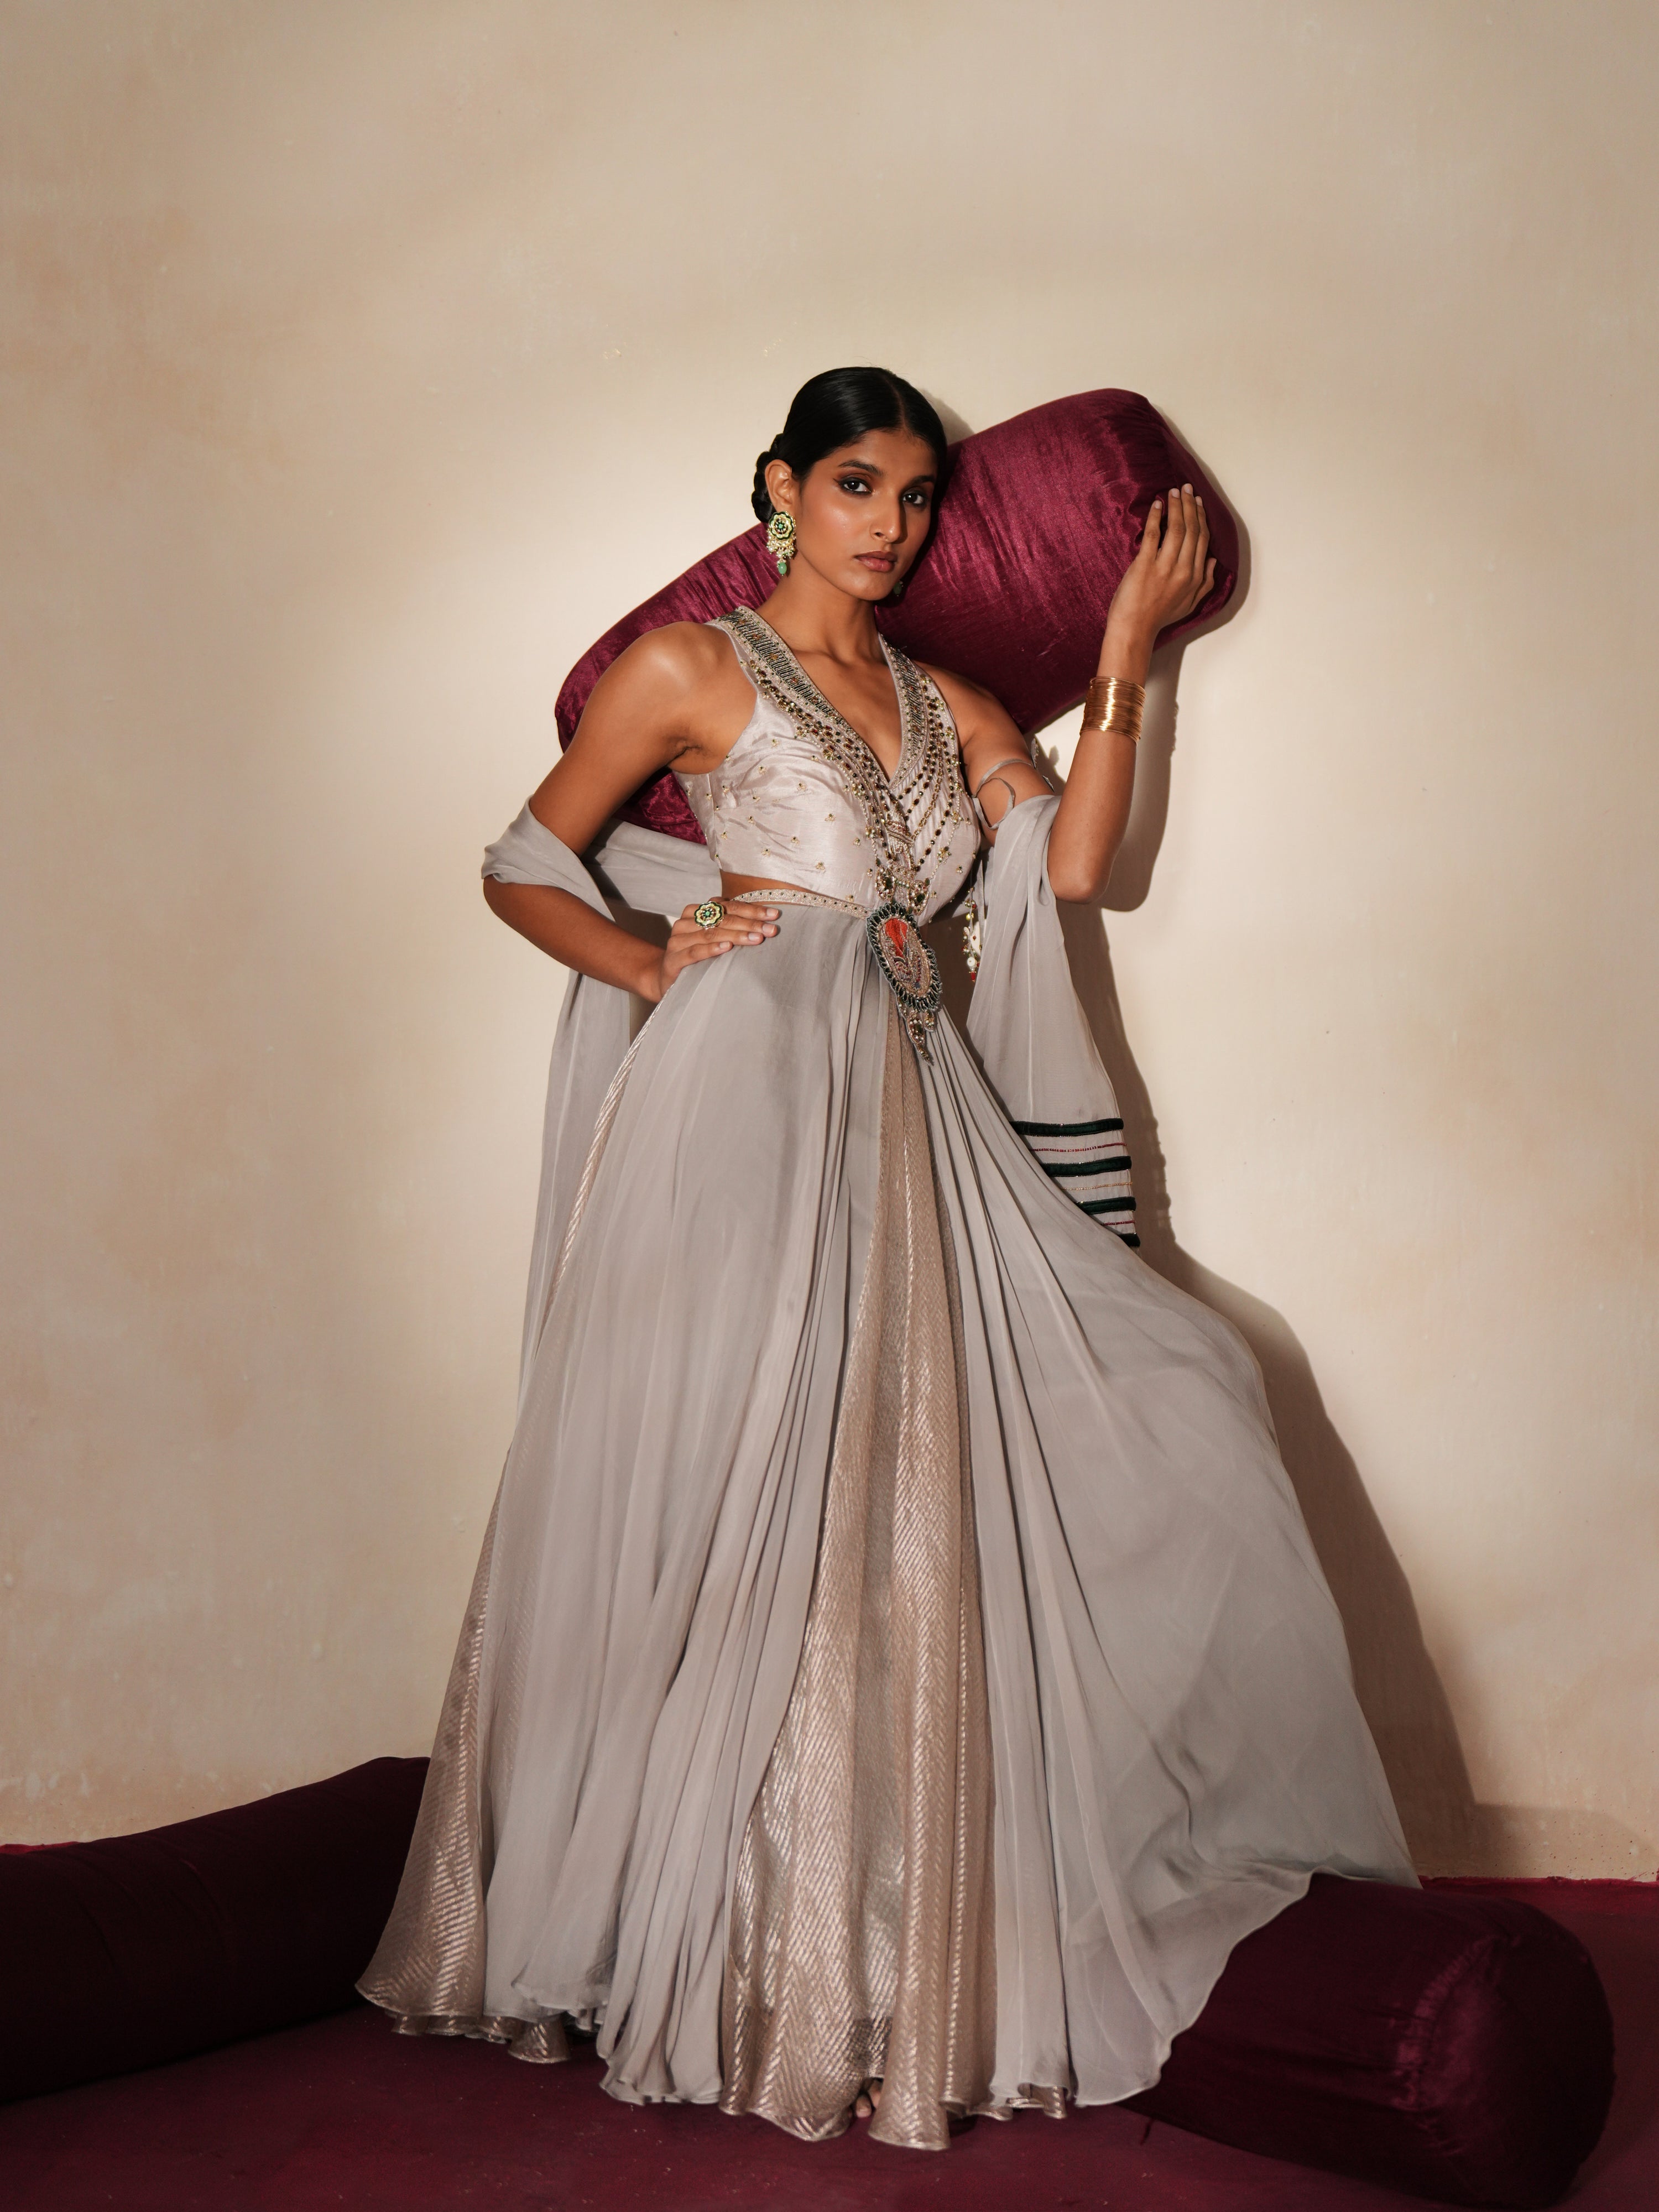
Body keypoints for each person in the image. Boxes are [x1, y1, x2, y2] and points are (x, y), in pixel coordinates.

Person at [360, 367, 1413, 2152]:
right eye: (856, 484)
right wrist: (653, 966)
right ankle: (671, 1929)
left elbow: (1070, 871)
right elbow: (524, 860)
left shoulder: (954, 697)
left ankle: (844, 1933)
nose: (890, 522)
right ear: (781, 486)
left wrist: (1130, 656)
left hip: (912, 1117)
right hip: (740, 1109)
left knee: (947, 1479)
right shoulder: (694, 669)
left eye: (919, 497)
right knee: (732, 1480)